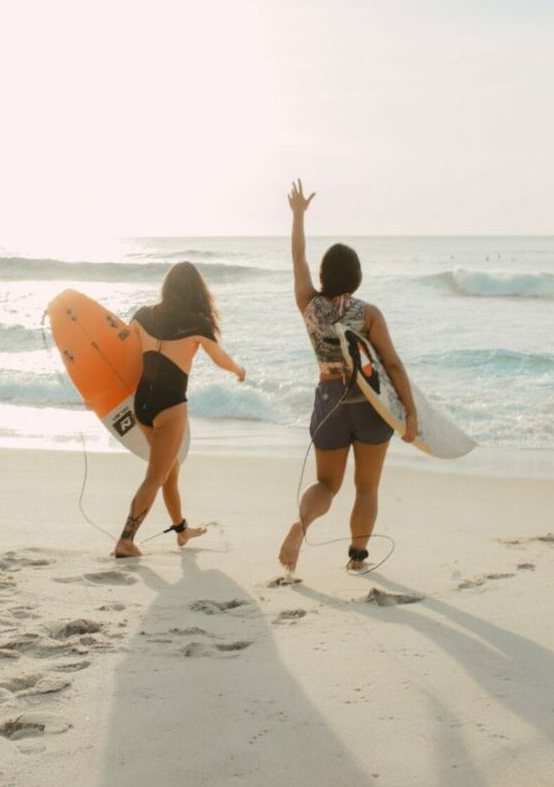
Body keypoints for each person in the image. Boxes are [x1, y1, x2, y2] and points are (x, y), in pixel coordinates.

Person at [278, 180, 418, 574]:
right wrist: (411, 412)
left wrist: (298, 215)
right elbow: (391, 364)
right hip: (369, 404)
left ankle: (300, 526)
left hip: (329, 401)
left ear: (324, 275)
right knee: (367, 486)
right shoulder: (368, 312)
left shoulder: (309, 304)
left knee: (327, 485)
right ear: (357, 276)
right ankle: (357, 559)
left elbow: (297, 259)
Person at [114, 262, 245, 559]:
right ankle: (126, 539)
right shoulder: (197, 323)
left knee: (169, 470)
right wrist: (239, 370)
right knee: (155, 476)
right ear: (197, 290)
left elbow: (120, 346)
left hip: (142, 405)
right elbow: (220, 358)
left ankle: (181, 530)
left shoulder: (143, 314)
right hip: (170, 406)